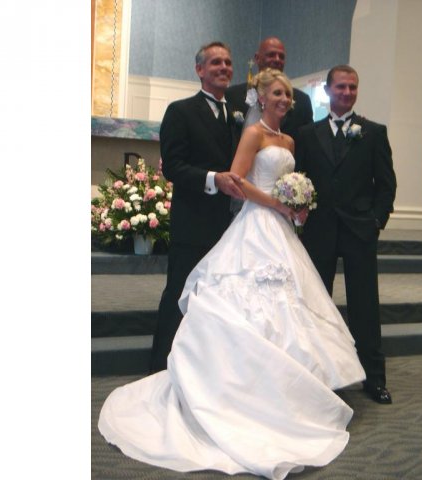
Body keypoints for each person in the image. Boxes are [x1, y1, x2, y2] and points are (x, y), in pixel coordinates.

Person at [98, 68, 366, 480]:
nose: (284, 100)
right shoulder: (253, 134)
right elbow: (238, 181)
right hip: (256, 223)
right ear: (261, 97)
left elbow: (289, 181)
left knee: (292, 302)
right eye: (277, 94)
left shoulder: (289, 140)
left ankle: (289, 393)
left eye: (288, 95)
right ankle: (240, 390)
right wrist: (276, 203)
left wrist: (298, 205)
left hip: (282, 228)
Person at [295, 65, 397, 404]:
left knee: (365, 306)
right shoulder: (307, 134)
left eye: (353, 87)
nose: (347, 92)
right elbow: (300, 179)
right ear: (328, 90)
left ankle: (374, 378)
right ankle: (318, 373)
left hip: (359, 231)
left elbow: (386, 185)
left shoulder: (374, 132)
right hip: (319, 231)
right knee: (316, 304)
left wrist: (375, 221)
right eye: (341, 87)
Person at [149, 41, 246, 373]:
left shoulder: (238, 115)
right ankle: (161, 368)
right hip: (193, 223)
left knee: (218, 299)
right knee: (179, 294)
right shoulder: (180, 111)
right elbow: (174, 167)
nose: (224, 68)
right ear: (199, 70)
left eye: (228, 62)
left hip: (230, 225)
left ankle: (204, 369)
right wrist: (213, 179)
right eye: (216, 62)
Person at [225, 36, 313, 142]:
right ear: (257, 58)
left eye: (281, 57)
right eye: (271, 55)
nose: (277, 59)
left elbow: (308, 142)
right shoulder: (232, 95)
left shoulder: (302, 101)